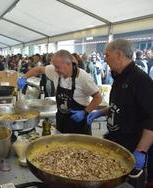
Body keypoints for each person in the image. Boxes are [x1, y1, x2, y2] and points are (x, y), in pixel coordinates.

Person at [87, 39, 153, 187]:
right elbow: (120, 106)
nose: (105, 59)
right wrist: (101, 113)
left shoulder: (140, 79)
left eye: (107, 55)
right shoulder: (118, 76)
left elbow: (151, 117)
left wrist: (141, 150)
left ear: (118, 55)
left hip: (133, 146)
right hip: (116, 141)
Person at [18, 50, 102, 134]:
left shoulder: (84, 77)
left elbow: (98, 97)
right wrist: (24, 77)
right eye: (54, 66)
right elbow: (39, 69)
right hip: (61, 121)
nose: (55, 69)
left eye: (58, 67)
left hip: (79, 125)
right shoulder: (55, 71)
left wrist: (85, 112)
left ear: (69, 64)